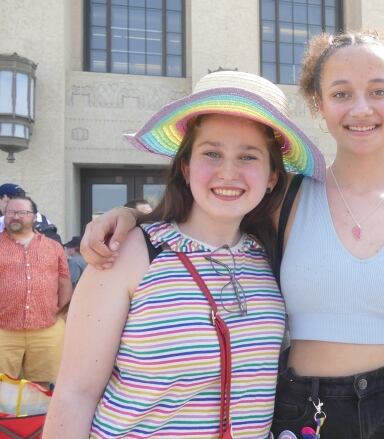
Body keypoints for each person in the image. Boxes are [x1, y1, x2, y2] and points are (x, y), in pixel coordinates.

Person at [78, 31, 384, 438]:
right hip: (306, 410)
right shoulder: (283, 200)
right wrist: (129, 216)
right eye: (341, 93)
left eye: (378, 90)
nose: (360, 108)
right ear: (319, 103)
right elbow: (206, 208)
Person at [43, 71, 324, 438]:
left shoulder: (271, 254)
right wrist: (130, 217)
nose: (228, 172)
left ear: (272, 175)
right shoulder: (130, 252)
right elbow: (74, 395)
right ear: (186, 165)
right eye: (212, 153)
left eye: (248, 157)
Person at [0, 196, 72, 386]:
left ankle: (36, 418)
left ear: (34, 217)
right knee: (3, 388)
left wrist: (60, 317)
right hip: (3, 330)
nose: (15, 217)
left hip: (47, 329)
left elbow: (64, 282)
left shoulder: (54, 247)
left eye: (21, 212)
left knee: (41, 388)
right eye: (10, 212)